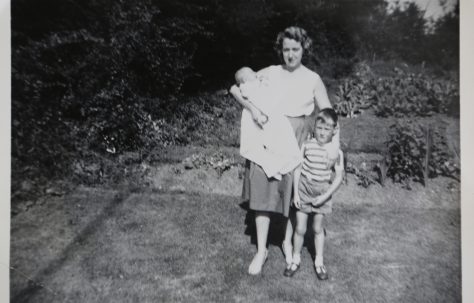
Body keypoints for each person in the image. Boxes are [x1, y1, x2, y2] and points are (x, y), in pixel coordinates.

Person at [230, 26, 338, 275]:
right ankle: (261, 250)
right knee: (263, 190)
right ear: (281, 50)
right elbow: (237, 88)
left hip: (297, 137)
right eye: (286, 49)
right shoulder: (270, 72)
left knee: (292, 196)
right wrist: (254, 109)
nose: (290, 55)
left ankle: (288, 243)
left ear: (304, 49)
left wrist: (333, 147)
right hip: (268, 135)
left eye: (295, 49)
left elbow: (329, 114)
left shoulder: (312, 78)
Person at [283, 108, 344, 280]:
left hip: (322, 192)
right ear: (314, 127)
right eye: (319, 128)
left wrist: (325, 197)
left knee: (317, 228)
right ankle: (295, 259)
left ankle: (319, 262)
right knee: (300, 228)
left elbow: (339, 177)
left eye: (327, 129)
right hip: (304, 189)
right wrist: (296, 194)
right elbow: (298, 169)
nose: (322, 132)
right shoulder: (307, 145)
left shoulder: (335, 152)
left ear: (334, 130)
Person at [234, 66, 301, 180]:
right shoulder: (246, 86)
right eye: (251, 72)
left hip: (271, 112)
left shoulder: (263, 78)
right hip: (260, 112)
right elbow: (250, 94)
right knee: (268, 142)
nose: (255, 72)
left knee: (281, 139)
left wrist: (263, 82)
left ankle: (278, 164)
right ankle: (273, 166)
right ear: (245, 80)